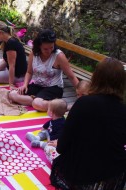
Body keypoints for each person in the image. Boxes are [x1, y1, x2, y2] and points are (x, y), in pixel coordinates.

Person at [50, 57, 126, 189]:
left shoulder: (83, 103)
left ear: (96, 78)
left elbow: (61, 146)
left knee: (50, 149)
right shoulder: (123, 110)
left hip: (81, 173)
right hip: (112, 174)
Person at [8, 29, 79, 111]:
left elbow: (71, 76)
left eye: (51, 47)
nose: (49, 51)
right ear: (39, 46)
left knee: (37, 103)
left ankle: (64, 107)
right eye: (45, 49)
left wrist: (81, 93)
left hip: (54, 88)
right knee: (12, 94)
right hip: (38, 86)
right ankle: (42, 102)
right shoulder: (33, 53)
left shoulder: (59, 56)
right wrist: (25, 85)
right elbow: (29, 72)